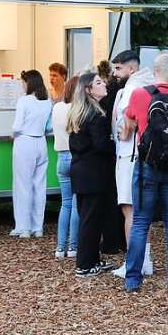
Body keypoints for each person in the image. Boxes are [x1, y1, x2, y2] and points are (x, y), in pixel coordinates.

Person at [123, 54, 168, 292]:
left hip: (147, 167)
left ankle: (132, 278)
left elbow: (128, 123)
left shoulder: (140, 94)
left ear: (155, 72)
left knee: (141, 221)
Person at [110, 49, 155, 277]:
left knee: (129, 210)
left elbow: (127, 127)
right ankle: (145, 260)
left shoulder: (131, 89)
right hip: (148, 156)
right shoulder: (152, 85)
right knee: (142, 211)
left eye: (118, 68)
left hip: (129, 155)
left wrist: (120, 131)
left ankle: (133, 262)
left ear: (131, 68)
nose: (114, 73)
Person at [68, 71, 118, 277]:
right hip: (94, 174)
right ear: (89, 90)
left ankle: (92, 260)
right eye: (98, 82)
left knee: (88, 217)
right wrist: (114, 145)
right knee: (91, 219)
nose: (104, 84)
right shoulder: (96, 115)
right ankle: (84, 264)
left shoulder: (79, 113)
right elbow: (100, 145)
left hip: (80, 172)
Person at [10, 69, 53, 239]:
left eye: (23, 82)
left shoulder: (24, 101)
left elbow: (17, 126)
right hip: (40, 142)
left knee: (22, 186)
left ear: (28, 83)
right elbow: (49, 128)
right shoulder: (47, 102)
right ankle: (38, 227)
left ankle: (23, 227)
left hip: (24, 142)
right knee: (39, 186)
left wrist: (12, 134)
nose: (22, 85)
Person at [52, 76, 79, 259]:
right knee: (77, 204)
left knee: (65, 204)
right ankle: (73, 246)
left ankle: (60, 247)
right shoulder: (78, 109)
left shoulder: (57, 107)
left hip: (61, 157)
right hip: (76, 157)